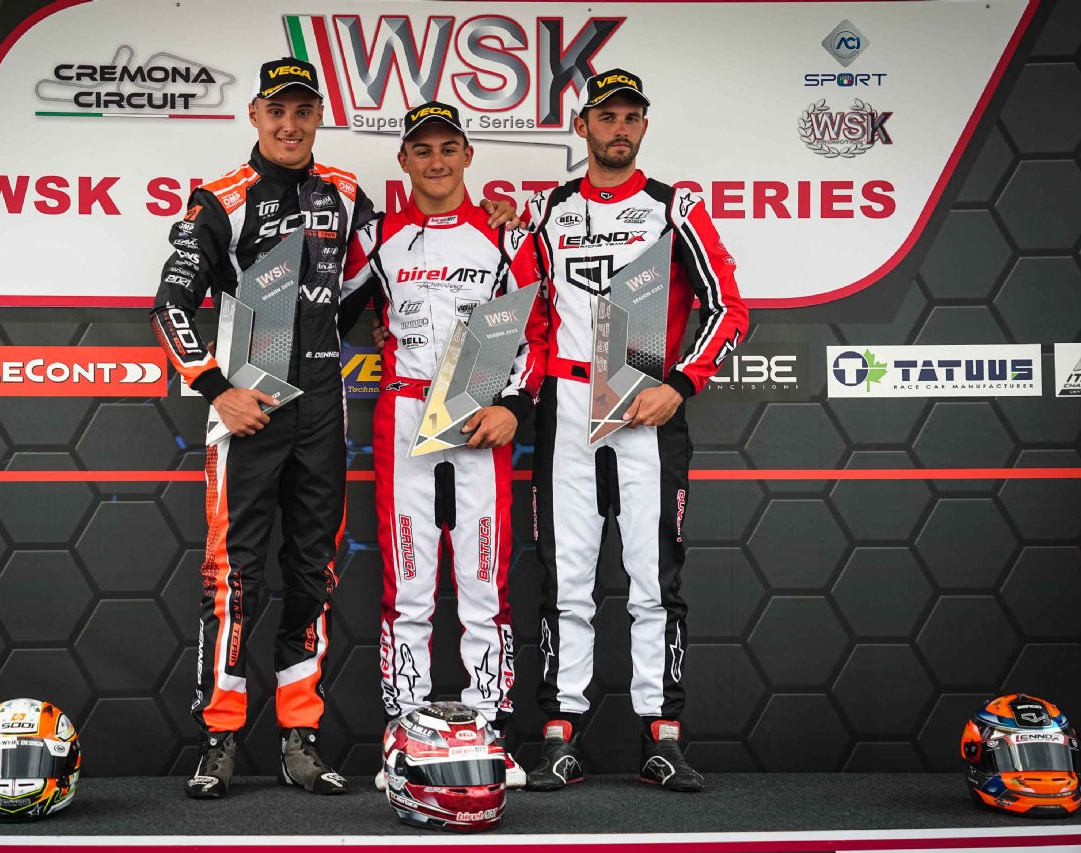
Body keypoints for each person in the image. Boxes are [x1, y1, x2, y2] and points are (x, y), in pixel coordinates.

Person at [151, 58, 521, 799]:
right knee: (233, 580)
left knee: (312, 574)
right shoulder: (220, 199)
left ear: (318, 116)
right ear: (255, 116)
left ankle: (300, 735)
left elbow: (380, 278)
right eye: (276, 111)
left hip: (321, 408)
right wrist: (218, 389)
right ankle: (220, 737)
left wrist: (499, 215)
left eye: (302, 111)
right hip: (250, 408)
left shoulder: (346, 194)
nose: (289, 125)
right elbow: (169, 305)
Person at [512, 69, 749, 792]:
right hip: (566, 405)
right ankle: (559, 735)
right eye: (606, 116)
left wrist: (680, 383)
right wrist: (513, 395)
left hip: (647, 403)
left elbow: (727, 308)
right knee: (566, 584)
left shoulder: (674, 207)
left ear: (643, 126)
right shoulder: (545, 211)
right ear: (581, 125)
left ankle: (662, 737)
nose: (619, 128)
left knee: (653, 583)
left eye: (631, 117)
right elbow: (523, 316)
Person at [339, 101, 547, 790]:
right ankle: (405, 735)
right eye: (422, 150)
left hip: (478, 412)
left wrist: (514, 404)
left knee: (484, 585)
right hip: (403, 414)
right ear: (403, 159)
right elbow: (331, 305)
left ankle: (490, 732)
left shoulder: (504, 233)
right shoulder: (376, 237)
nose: (436, 161)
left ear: (467, 155)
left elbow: (537, 330)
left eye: (448, 148)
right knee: (410, 588)